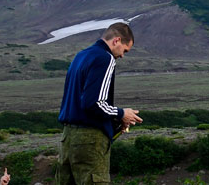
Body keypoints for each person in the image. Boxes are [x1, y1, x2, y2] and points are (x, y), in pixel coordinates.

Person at [56, 22, 143, 185]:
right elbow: (93, 103)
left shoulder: (80, 55)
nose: (122, 56)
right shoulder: (105, 58)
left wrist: (114, 123)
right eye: (125, 50)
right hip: (89, 140)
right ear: (116, 40)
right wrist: (122, 113)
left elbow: (81, 102)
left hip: (67, 138)